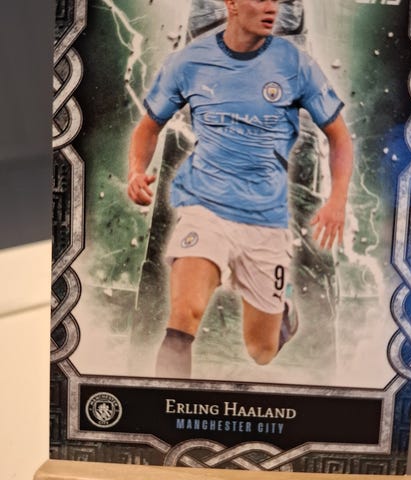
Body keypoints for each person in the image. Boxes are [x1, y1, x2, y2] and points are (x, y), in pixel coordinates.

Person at [127, 0, 353, 378]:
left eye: (276, 0)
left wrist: (338, 200)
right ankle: (167, 404)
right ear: (231, 3)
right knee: (183, 317)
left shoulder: (295, 65)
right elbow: (148, 127)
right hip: (204, 207)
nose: (271, 8)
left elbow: (339, 137)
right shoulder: (189, 62)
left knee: (261, 351)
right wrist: (136, 171)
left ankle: (282, 312)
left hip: (265, 221)